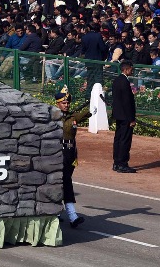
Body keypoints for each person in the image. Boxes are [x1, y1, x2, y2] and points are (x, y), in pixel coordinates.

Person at [55, 86, 90, 228]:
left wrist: (95, 103)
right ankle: (72, 215)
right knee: (66, 182)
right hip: (58, 153)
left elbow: (86, 114)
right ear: (57, 103)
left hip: (70, 154)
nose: (67, 105)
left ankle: (56, 214)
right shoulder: (53, 116)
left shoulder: (72, 117)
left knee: (63, 183)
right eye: (64, 103)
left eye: (68, 103)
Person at [112, 61, 137, 173]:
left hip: (118, 115)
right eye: (131, 69)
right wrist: (131, 118)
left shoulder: (117, 80)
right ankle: (122, 163)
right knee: (125, 140)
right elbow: (127, 102)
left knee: (118, 139)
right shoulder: (125, 82)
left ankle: (117, 162)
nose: (132, 71)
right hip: (126, 116)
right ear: (126, 70)